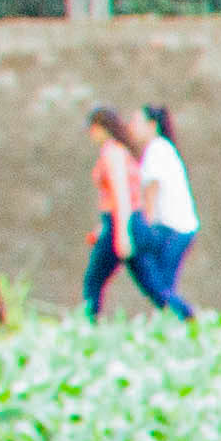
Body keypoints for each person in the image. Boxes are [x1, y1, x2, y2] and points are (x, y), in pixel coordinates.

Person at [128, 102, 201, 319]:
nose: (131, 127)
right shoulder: (161, 148)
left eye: (136, 122)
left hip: (174, 229)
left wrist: (145, 227)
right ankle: (177, 322)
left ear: (152, 125)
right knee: (162, 286)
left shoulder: (157, 149)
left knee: (161, 287)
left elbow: (152, 189)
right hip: (176, 228)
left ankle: (188, 317)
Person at [80, 108, 148, 320]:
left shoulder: (113, 152)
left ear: (101, 129)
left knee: (93, 280)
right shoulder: (119, 151)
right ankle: (186, 316)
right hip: (115, 221)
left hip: (119, 221)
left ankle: (87, 323)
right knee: (151, 282)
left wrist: (122, 233)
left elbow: (121, 194)